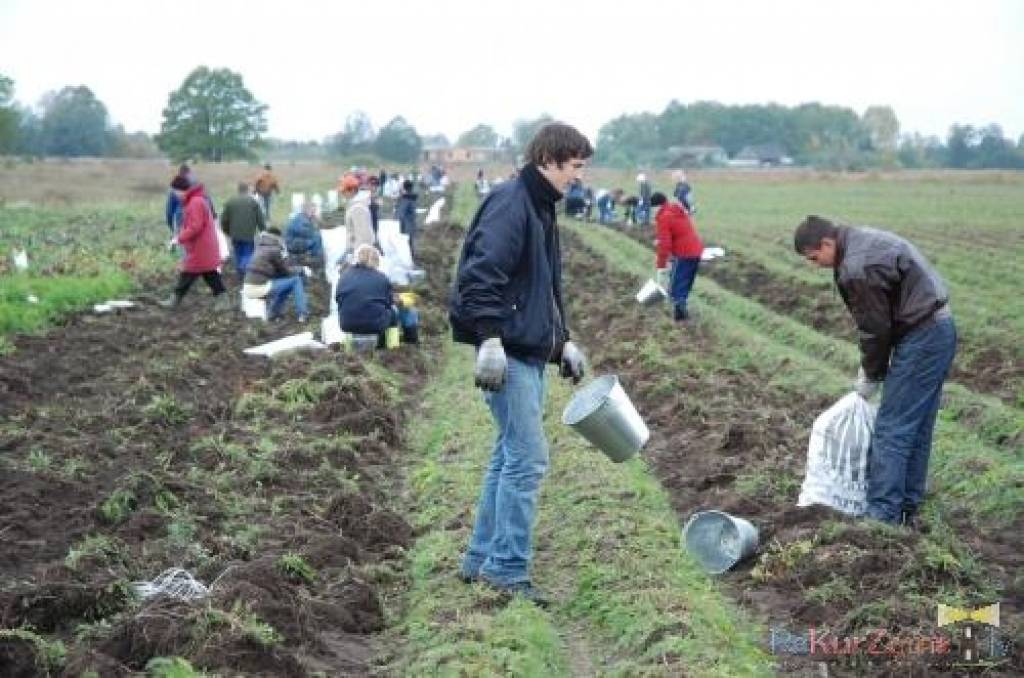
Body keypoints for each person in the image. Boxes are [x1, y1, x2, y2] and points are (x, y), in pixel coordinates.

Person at [449, 122, 593, 607]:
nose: (579, 177)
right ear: (549, 160)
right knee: (528, 459)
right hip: (506, 354)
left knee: (508, 455)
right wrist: (489, 339)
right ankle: (508, 571)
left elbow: (536, 289)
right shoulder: (513, 203)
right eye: (575, 166)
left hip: (525, 351)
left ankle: (481, 558)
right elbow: (480, 276)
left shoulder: (539, 207)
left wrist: (561, 344)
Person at [794, 215, 956, 527]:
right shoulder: (858, 241)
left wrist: (870, 374)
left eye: (815, 258)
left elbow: (876, 330)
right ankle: (907, 506)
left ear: (827, 243)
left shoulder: (857, 268)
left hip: (923, 335)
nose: (815, 265)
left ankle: (883, 517)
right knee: (916, 424)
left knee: (892, 428)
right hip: (937, 329)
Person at [160, 176, 230, 309]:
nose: (175, 195)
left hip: (201, 246)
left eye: (175, 192)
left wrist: (178, 238)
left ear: (180, 190)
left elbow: (195, 226)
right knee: (209, 273)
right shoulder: (195, 200)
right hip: (202, 245)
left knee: (189, 272)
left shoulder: (195, 202)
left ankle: (174, 300)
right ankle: (223, 300)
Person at [652, 192, 703, 321]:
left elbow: (665, 244)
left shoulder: (664, 217)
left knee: (676, 285)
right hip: (696, 251)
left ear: (656, 206)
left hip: (683, 253)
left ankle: (680, 314)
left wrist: (661, 265)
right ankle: (681, 311)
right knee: (685, 282)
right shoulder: (677, 211)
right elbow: (678, 232)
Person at [244, 227, 312, 322]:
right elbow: (287, 270)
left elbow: (279, 271)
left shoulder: (261, 247)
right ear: (278, 238)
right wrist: (302, 269)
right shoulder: (274, 249)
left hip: (249, 287)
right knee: (296, 280)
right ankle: (303, 314)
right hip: (258, 288)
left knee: (287, 284)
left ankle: (274, 313)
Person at [336, 244, 398, 345]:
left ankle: (349, 348)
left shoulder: (344, 276)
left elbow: (338, 299)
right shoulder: (382, 278)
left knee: (346, 309)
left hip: (347, 324)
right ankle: (392, 347)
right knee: (393, 313)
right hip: (375, 325)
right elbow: (389, 302)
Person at [220, 182, 266, 277]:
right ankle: (243, 268)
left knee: (238, 253)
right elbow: (260, 218)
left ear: (238, 190)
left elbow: (224, 219)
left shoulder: (230, 202)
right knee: (247, 253)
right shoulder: (253, 202)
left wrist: (226, 231)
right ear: (247, 190)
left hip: (234, 234)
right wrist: (263, 230)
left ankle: (240, 273)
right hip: (248, 233)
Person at [339, 173, 375, 258]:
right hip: (356, 251)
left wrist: (358, 256)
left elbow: (363, 236)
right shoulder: (355, 206)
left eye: (344, 191)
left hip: (360, 254)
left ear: (352, 190)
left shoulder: (358, 208)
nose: (343, 194)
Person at [396, 179, 419, 261]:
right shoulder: (414, 197)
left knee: (410, 244)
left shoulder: (405, 199)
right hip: (414, 222)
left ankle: (414, 259)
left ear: (404, 188)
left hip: (407, 224)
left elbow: (400, 213)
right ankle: (415, 258)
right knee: (413, 241)